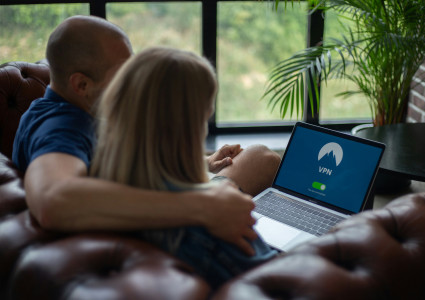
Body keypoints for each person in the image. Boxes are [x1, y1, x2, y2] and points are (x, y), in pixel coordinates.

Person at [12, 15, 281, 256]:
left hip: (163, 210)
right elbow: (52, 200)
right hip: (164, 234)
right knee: (261, 160)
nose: (134, 83)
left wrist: (204, 163)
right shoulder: (59, 128)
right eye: (124, 75)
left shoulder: (84, 111)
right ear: (81, 84)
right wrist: (202, 205)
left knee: (260, 157)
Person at [90, 46, 278, 287]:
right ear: (190, 127)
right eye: (205, 116)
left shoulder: (99, 189)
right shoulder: (214, 220)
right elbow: (276, 283)